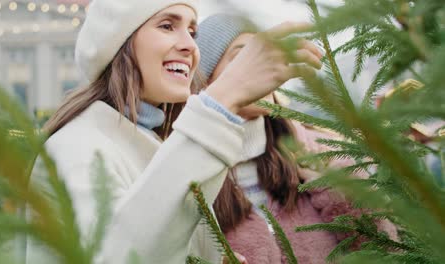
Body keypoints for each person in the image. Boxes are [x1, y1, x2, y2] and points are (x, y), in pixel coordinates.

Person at [26, 1, 323, 264]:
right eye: (167, 25)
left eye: (192, 32)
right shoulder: (78, 146)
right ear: (120, 42)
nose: (190, 46)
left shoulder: (156, 141)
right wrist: (222, 100)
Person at [196, 14, 398, 264]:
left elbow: (386, 250)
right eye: (242, 59)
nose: (263, 68)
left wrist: (335, 187)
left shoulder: (324, 154)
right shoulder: (195, 183)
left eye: (263, 56)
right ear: (206, 83)